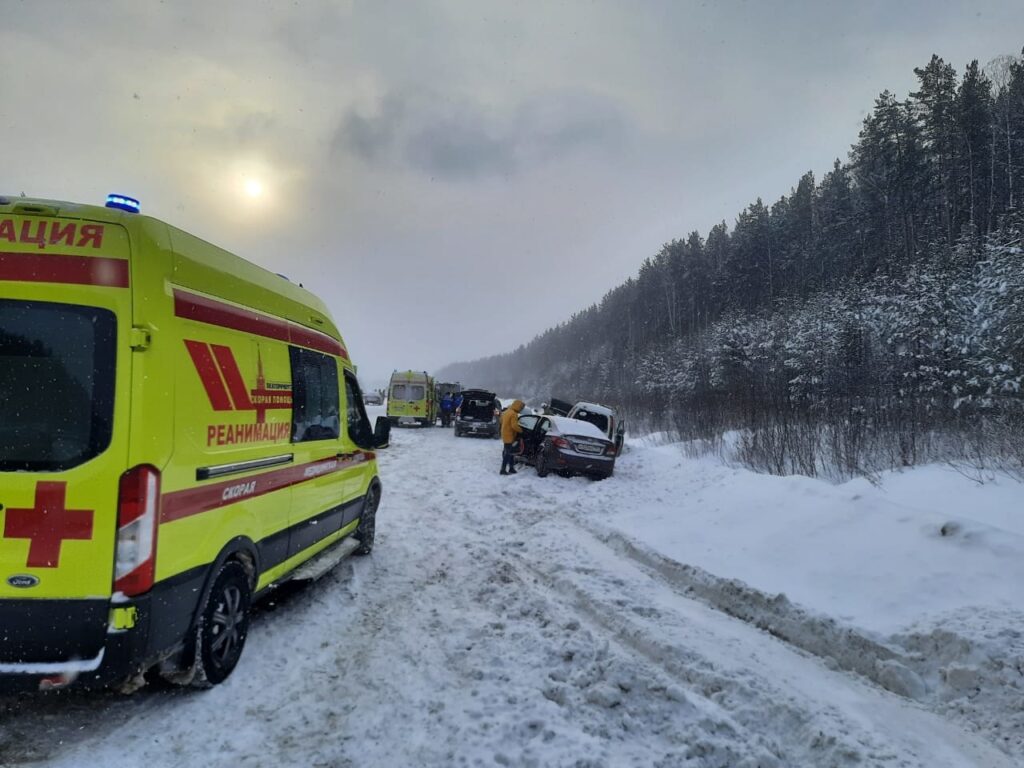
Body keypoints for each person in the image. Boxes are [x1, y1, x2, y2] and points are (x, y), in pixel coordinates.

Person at [499, 399, 524, 475]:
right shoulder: (513, 414)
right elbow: (514, 426)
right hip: (510, 436)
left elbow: (501, 421)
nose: (521, 409)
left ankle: (511, 468)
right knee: (508, 453)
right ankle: (503, 470)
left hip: (504, 434)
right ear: (518, 407)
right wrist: (521, 430)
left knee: (510, 452)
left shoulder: (506, 412)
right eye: (521, 407)